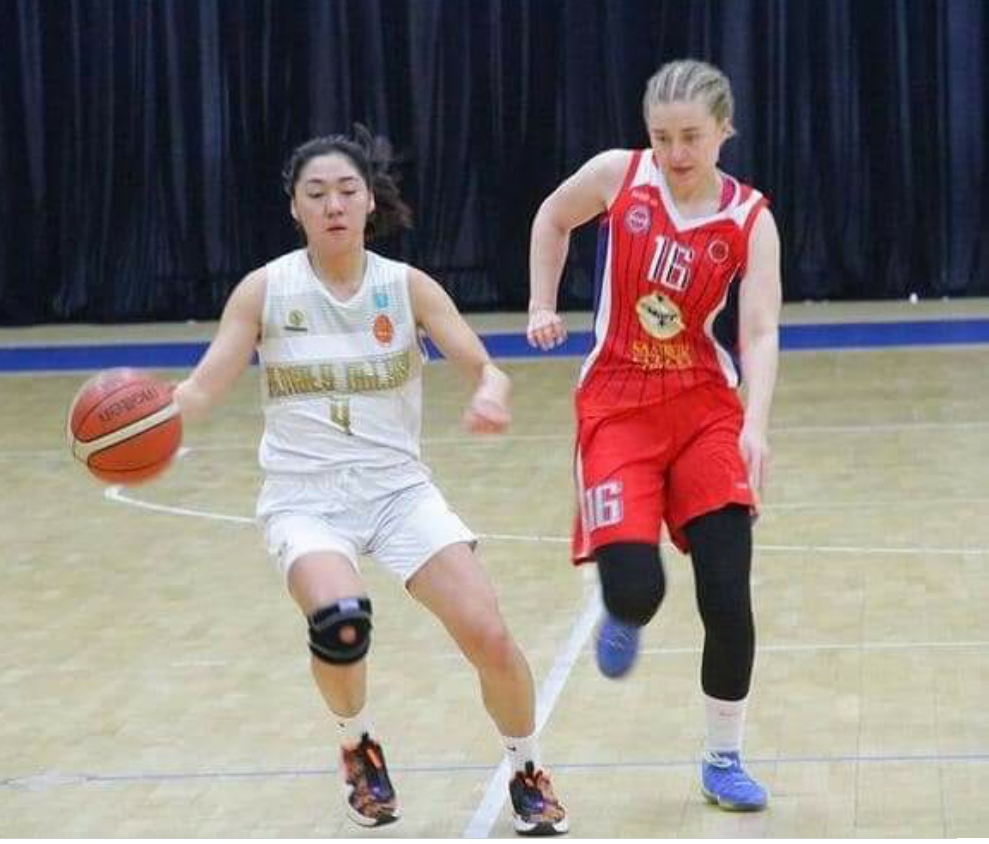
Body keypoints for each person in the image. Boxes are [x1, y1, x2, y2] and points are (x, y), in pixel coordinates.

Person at [172, 127, 568, 836]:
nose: (333, 205)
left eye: (346, 191)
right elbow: (202, 390)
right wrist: (148, 417)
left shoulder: (406, 287)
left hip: (398, 493)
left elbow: (485, 366)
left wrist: (490, 392)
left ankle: (527, 769)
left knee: (490, 636)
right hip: (305, 500)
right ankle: (358, 746)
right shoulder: (265, 290)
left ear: (369, 201)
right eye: (316, 193)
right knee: (340, 622)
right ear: (294, 207)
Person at [526, 59, 781, 812]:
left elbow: (760, 330)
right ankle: (623, 608)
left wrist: (755, 425)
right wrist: (542, 301)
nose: (675, 152)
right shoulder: (619, 175)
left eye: (691, 137)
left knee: (727, 592)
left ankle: (723, 757)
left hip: (704, 407)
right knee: (638, 591)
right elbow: (551, 218)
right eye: (662, 136)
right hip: (617, 405)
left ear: (724, 131)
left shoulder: (749, 218)